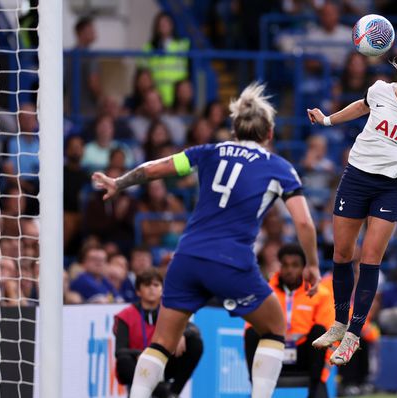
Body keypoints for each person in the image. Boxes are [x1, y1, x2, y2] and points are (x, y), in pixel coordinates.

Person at [92, 82, 321, 398]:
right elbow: (305, 223)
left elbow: (155, 168)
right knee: (274, 327)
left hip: (186, 259)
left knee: (161, 342)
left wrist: (119, 182)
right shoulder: (278, 168)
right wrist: (312, 263)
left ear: (234, 129)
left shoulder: (209, 152)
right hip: (230, 261)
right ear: (269, 133)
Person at [306, 47, 397, 365]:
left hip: (391, 187)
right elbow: (362, 106)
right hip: (356, 178)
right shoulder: (380, 91)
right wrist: (328, 120)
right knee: (343, 255)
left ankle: (354, 335)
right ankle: (339, 323)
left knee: (370, 259)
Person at [244, 244, 334, 398]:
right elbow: (250, 326)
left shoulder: (320, 294)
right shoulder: (265, 292)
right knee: (251, 332)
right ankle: (257, 388)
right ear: (279, 266)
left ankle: (315, 390)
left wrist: (323, 376)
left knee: (319, 330)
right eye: (285, 265)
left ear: (304, 268)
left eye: (295, 265)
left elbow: (330, 335)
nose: (289, 270)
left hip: (304, 356)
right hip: (274, 352)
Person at [114, 269, 203, 397]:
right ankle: (164, 393)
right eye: (147, 285)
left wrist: (182, 333)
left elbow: (195, 330)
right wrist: (143, 355)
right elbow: (120, 351)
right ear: (138, 291)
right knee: (123, 360)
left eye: (156, 285)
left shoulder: (168, 311)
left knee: (195, 343)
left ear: (162, 290)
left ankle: (173, 393)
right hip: (137, 365)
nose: (152, 289)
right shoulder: (125, 315)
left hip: (162, 364)